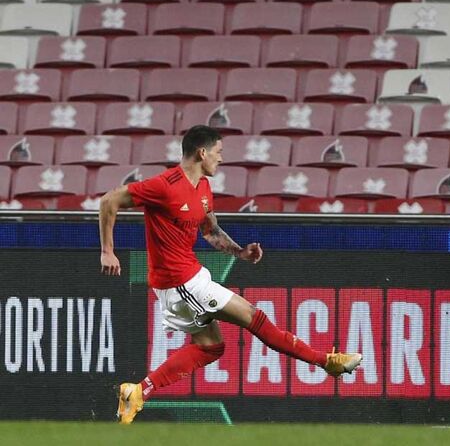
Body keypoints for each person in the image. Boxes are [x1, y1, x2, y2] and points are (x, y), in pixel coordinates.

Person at [99, 125, 362, 424]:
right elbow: (109, 201)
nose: (221, 159)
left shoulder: (203, 189)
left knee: (212, 348)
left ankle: (138, 392)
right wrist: (108, 250)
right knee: (256, 318)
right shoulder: (164, 185)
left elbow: (209, 230)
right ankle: (326, 362)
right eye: (219, 152)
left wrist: (240, 252)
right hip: (179, 282)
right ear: (202, 152)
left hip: (191, 278)